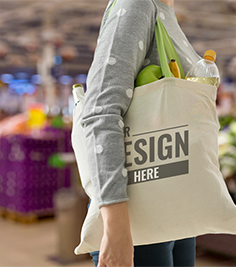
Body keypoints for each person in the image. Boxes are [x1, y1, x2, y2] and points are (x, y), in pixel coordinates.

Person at [81, 0, 201, 266]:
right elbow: (101, 111)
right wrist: (116, 230)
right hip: (139, 215)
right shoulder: (137, 4)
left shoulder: (163, 11)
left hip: (173, 202)